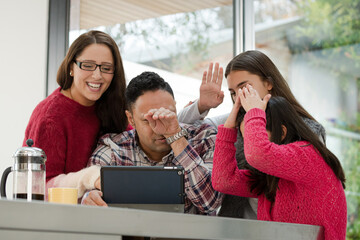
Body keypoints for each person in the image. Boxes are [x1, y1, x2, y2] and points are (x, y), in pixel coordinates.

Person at [178, 50, 326, 218]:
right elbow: (183, 129)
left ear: (268, 83)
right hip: (236, 228)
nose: (239, 97)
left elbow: (260, 155)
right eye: (233, 92)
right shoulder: (236, 121)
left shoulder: (308, 132)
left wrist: (255, 115)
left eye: (245, 87)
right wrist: (202, 105)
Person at [211, 85, 347, 240]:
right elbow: (224, 181)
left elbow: (257, 154)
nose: (247, 144)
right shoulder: (271, 175)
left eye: (256, 133)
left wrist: (255, 113)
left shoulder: (308, 155)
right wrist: (228, 127)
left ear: (282, 132)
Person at [82, 71, 223, 215]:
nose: (159, 128)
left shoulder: (204, 138)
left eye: (166, 115)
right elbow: (90, 197)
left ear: (175, 107)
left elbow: (210, 203)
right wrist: (89, 198)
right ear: (131, 119)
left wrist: (175, 136)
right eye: (148, 120)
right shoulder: (113, 149)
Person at [23, 30, 131, 198]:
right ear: (71, 67)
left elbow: (138, 144)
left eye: (106, 68)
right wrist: (91, 178)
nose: (97, 75)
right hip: (60, 218)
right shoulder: (51, 117)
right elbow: (40, 188)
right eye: (87, 65)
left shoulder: (112, 107)